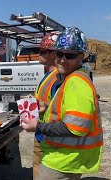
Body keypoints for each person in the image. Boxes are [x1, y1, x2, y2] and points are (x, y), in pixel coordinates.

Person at [22, 27, 103, 180]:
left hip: (63, 160)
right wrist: (46, 107)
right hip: (60, 155)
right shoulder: (66, 79)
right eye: (59, 54)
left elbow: (75, 127)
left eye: (69, 55)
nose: (62, 59)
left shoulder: (76, 82)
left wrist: (37, 126)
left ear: (81, 57)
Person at [33, 32, 59, 179]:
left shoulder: (57, 76)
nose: (39, 53)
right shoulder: (48, 74)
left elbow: (60, 105)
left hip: (49, 134)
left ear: (54, 54)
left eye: (43, 51)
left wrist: (46, 105)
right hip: (42, 132)